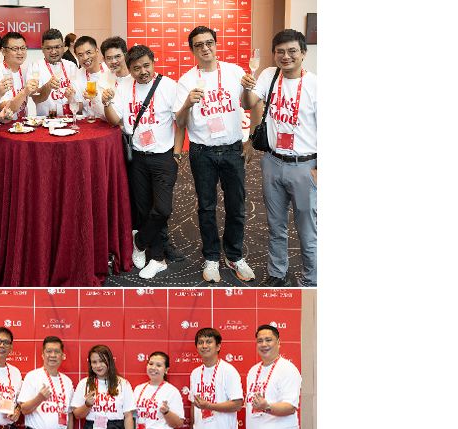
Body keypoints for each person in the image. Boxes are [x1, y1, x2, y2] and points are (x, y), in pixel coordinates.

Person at [176, 27, 255, 283]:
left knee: (237, 206)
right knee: (206, 207)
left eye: (209, 43)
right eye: (199, 45)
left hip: (232, 149)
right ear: (192, 50)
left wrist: (251, 140)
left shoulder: (234, 72)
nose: (205, 48)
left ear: (216, 44)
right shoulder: (187, 80)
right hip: (202, 153)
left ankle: (234, 255)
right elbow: (179, 121)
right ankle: (211, 257)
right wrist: (188, 103)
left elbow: (250, 103)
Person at [241, 29, 317, 287]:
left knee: (307, 230)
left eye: (292, 51)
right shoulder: (268, 75)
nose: (286, 56)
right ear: (274, 55)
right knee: (276, 225)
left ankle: (311, 280)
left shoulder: (315, 85)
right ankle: (277, 273)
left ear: (303, 54)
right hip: (273, 162)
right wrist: (247, 86)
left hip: (304, 166)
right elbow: (248, 103)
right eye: (280, 52)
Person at [105, 44, 182, 280]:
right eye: (136, 68)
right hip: (137, 157)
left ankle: (138, 241)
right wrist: (107, 102)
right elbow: (114, 120)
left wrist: (177, 154)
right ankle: (157, 258)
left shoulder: (168, 86)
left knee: (162, 209)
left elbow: (181, 121)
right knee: (143, 208)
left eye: (146, 66)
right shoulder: (123, 86)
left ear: (154, 62)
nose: (142, 72)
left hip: (163, 157)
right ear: (129, 69)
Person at [68, 35, 116, 119]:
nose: (85, 58)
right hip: (87, 123)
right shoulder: (77, 75)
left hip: (109, 121)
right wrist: (71, 99)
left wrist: (95, 98)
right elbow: (79, 108)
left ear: (97, 51)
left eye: (88, 53)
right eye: (80, 55)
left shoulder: (110, 71)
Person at [0, 32, 41, 119]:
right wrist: (24, 92)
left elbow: (37, 96)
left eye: (23, 48)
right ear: (3, 51)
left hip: (23, 125)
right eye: (15, 49)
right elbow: (5, 110)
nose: (20, 52)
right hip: (4, 127)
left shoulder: (26, 69)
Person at [30, 29, 74, 117]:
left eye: (57, 47)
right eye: (49, 48)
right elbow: (36, 99)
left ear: (63, 47)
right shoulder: (35, 67)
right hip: (46, 121)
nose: (53, 52)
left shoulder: (71, 66)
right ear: (42, 49)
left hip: (70, 119)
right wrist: (48, 86)